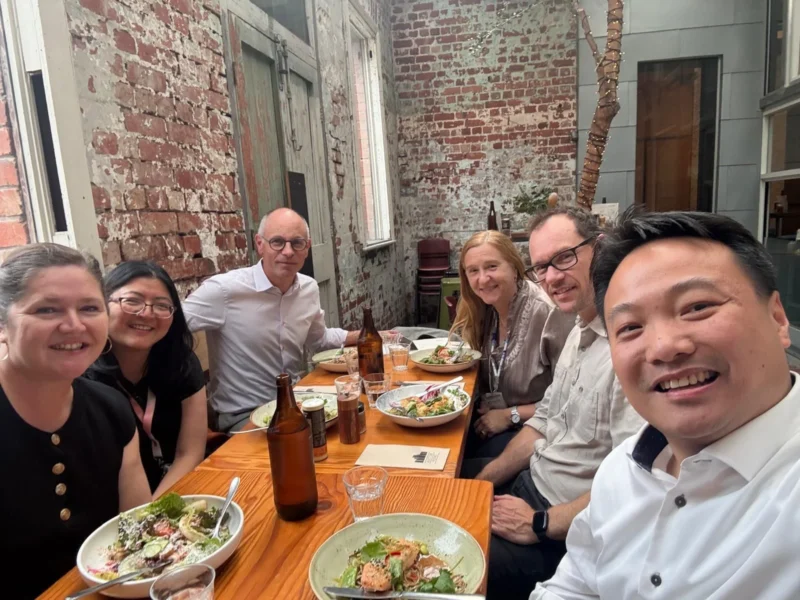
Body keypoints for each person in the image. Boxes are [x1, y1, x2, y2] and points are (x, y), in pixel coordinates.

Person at [531, 210, 800, 600]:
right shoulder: (622, 471)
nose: (664, 347)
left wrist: (540, 523)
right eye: (630, 328)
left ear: (778, 318)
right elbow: (574, 585)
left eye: (696, 307)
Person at [463, 207, 643, 600]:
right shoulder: (580, 330)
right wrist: (485, 482)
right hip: (531, 484)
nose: (552, 277)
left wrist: (541, 523)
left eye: (564, 257)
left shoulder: (630, 352)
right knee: (443, 491)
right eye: (542, 266)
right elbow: (543, 421)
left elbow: (635, 486)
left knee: (451, 566)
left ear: (600, 249)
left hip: (559, 529)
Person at [0, 244, 150, 599]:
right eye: (47, 309)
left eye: (89, 308)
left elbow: (139, 535)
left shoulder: (111, 409)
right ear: (3, 324)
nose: (74, 324)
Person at [184, 207, 360, 432]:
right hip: (244, 414)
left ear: (307, 247)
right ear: (260, 244)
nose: (288, 251)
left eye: (297, 243)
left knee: (355, 417)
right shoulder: (224, 290)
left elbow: (319, 339)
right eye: (277, 242)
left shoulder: (308, 288)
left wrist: (364, 336)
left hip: (295, 403)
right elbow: (168, 325)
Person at [86, 261, 208, 496]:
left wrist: (152, 511)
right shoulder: (83, 377)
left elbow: (190, 453)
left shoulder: (180, 362)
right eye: (132, 301)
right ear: (103, 304)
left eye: (162, 305)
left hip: (176, 491)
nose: (147, 313)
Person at [452, 230, 573, 458]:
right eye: (473, 271)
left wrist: (510, 415)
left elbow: (569, 400)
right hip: (496, 418)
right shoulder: (487, 308)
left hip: (540, 432)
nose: (483, 279)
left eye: (492, 267)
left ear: (514, 266)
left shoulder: (546, 313)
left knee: (458, 470)